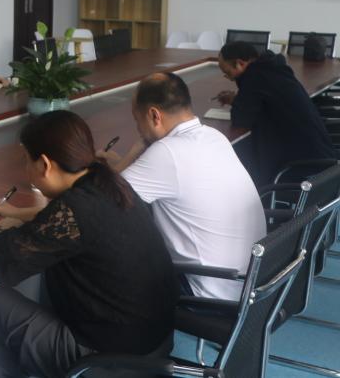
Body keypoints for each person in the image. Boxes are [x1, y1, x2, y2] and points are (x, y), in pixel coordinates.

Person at [0, 110, 177, 378]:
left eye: (26, 160)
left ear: (44, 164)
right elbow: (76, 224)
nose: (26, 169)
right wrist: (22, 219)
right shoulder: (108, 183)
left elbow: (3, 255)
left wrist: (19, 229)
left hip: (106, 359)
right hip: (155, 343)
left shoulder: (75, 209)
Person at [100, 72, 265, 300]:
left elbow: (100, 201)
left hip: (208, 292)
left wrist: (130, 155)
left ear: (154, 115)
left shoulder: (167, 152)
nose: (138, 129)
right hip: (249, 286)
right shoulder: (214, 136)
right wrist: (125, 162)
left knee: (103, 255)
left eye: (137, 120)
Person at [214, 41, 337, 185]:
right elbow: (266, 100)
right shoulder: (273, 68)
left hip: (303, 168)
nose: (230, 79)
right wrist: (239, 99)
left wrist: (237, 101)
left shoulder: (254, 77)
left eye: (228, 73)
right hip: (323, 157)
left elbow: (241, 120)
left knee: (244, 158)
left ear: (240, 63)